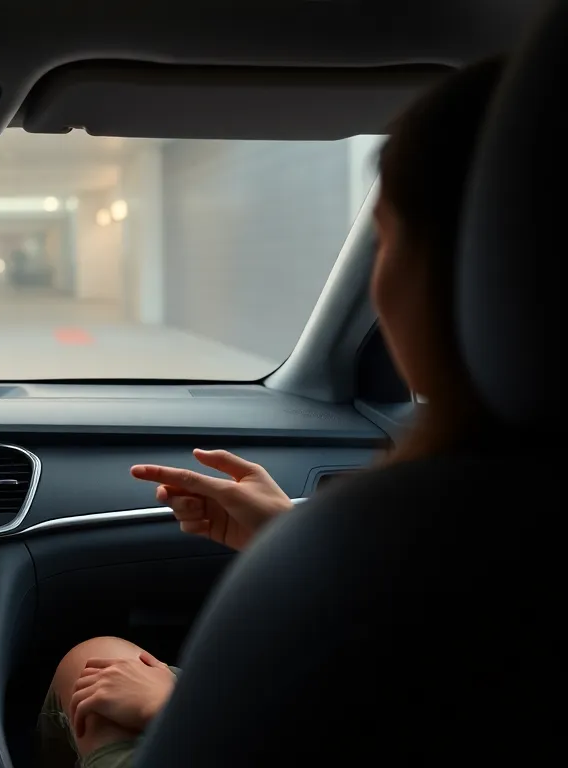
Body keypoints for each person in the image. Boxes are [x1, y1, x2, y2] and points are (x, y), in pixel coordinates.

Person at [36, 55, 507, 768]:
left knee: (97, 678)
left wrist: (173, 706)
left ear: (461, 275)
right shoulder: (469, 515)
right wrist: (285, 533)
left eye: (386, 238)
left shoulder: (419, 525)